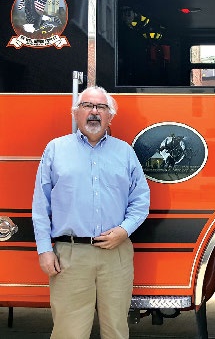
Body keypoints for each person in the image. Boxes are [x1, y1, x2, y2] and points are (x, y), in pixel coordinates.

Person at [32, 86, 150, 339]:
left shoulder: (125, 152)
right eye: (87, 106)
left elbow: (141, 200)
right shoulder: (55, 150)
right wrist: (44, 249)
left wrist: (124, 230)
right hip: (70, 256)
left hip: (116, 254)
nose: (94, 112)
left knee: (116, 331)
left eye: (101, 107)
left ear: (110, 116)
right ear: (76, 113)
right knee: (68, 333)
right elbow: (41, 204)